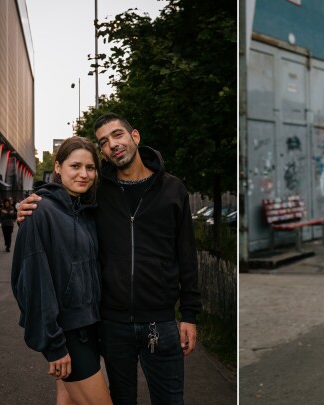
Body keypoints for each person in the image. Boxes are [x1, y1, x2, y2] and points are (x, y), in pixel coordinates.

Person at [18, 113, 200, 405]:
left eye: (118, 135)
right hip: (111, 324)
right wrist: (29, 209)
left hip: (160, 322)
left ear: (135, 136)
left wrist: (189, 314)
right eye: (104, 142)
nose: (113, 144)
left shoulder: (172, 189)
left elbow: (187, 254)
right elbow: (61, 209)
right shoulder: (97, 191)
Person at [11, 137, 113, 405]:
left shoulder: (85, 211)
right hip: (67, 333)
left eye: (90, 168)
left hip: (89, 327)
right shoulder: (40, 211)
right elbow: (33, 284)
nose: (84, 174)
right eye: (75, 166)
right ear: (58, 167)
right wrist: (54, 345)